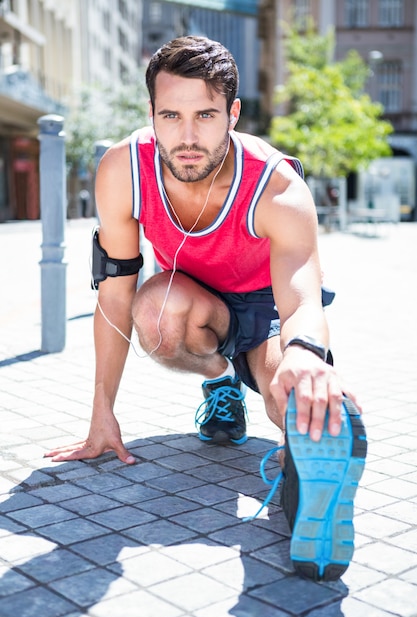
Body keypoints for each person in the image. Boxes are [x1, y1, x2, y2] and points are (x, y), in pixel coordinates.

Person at [45, 36, 366, 580]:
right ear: (151, 113)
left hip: (267, 310)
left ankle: (308, 461)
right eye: (170, 115)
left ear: (233, 114)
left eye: (206, 115)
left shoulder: (277, 186)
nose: (187, 136)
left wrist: (306, 354)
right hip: (191, 301)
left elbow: (302, 296)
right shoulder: (124, 169)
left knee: (282, 387)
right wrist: (102, 409)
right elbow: (116, 289)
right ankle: (222, 384)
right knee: (154, 311)